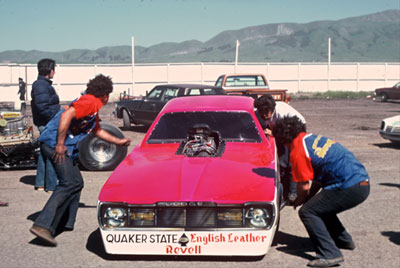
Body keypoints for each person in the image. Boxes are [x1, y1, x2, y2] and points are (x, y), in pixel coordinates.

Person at [29, 74, 131, 246]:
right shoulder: (89, 102)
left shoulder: (92, 106)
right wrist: (60, 144)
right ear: (105, 95)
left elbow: (97, 131)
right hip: (55, 145)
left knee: (77, 182)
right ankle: (42, 225)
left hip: (60, 146)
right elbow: (66, 116)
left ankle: (63, 223)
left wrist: (118, 141)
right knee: (68, 183)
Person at [272, 116, 370, 268]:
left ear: (283, 139)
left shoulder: (297, 151)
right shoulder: (312, 139)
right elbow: (318, 179)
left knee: (307, 212)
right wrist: (310, 197)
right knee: (319, 207)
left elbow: (303, 186)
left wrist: (299, 202)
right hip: (361, 183)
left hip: (350, 186)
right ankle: (343, 240)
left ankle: (330, 254)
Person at [254, 94, 306, 203]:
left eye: (267, 112)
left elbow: (287, 135)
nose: (264, 115)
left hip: (295, 131)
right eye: (262, 112)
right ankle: (284, 192)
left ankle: (293, 193)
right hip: (280, 131)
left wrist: (273, 133)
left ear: (272, 109)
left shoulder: (283, 114)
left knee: (291, 162)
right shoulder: (259, 113)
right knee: (282, 163)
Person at [31, 59, 60, 191]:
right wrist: (53, 119)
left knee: (44, 152)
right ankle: (51, 185)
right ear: (50, 71)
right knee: (51, 152)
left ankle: (41, 183)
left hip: (45, 122)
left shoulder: (42, 84)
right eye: (53, 69)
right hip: (47, 123)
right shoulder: (41, 85)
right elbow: (42, 107)